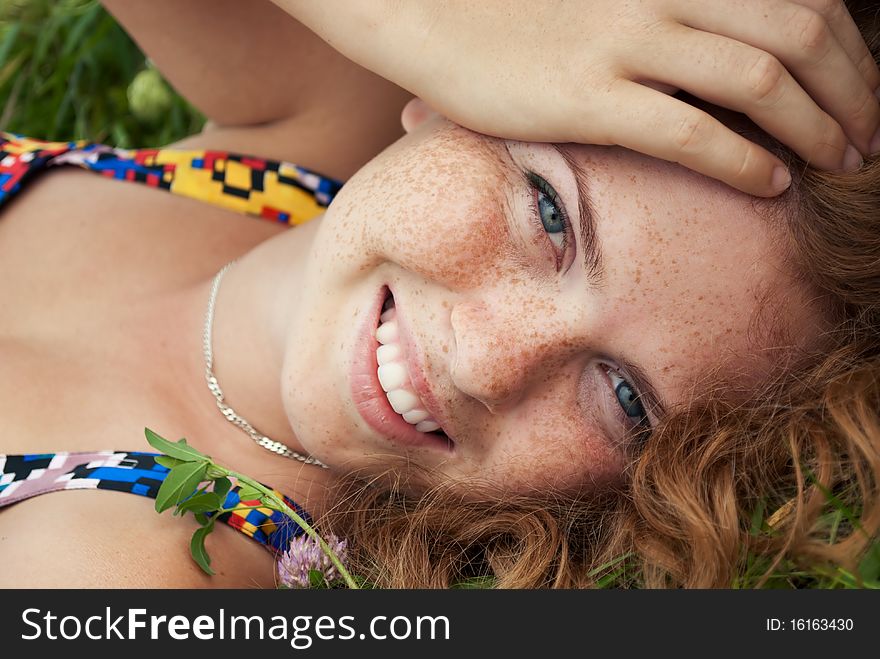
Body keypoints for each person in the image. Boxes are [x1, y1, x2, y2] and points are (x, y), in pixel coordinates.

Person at [0, 0, 877, 588]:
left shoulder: (125, 561)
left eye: (624, 397)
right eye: (550, 215)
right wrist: (425, 22)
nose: (491, 360)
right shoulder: (304, 145)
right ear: (463, 100)